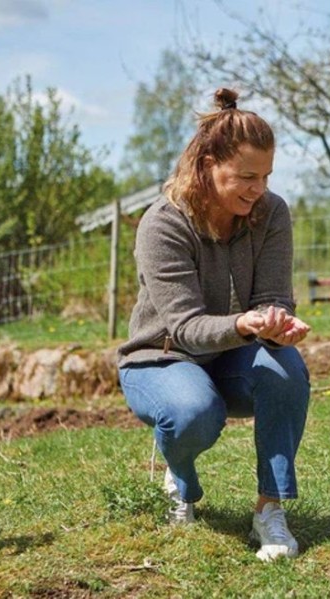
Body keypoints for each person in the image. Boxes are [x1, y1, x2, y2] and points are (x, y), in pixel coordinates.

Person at [117, 88, 312, 562]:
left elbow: (272, 298)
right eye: (246, 176)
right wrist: (248, 324)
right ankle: (179, 478)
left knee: (287, 369)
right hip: (161, 357)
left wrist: (277, 324)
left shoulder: (270, 213)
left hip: (229, 357)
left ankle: (270, 509)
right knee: (193, 412)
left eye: (266, 175)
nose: (258, 188)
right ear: (206, 164)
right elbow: (184, 327)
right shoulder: (163, 224)